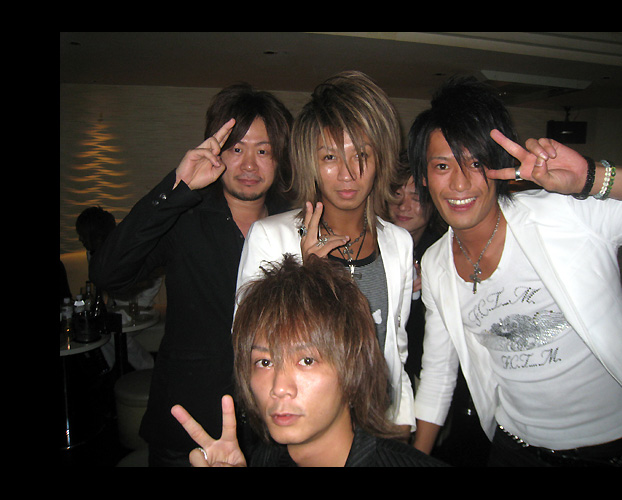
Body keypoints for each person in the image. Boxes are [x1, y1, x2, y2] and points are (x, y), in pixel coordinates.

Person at [408, 76, 622, 466]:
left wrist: (590, 177)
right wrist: (415, 458)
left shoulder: (564, 214)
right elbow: (438, 374)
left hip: (613, 448)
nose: (460, 183)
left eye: (476, 163)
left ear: (498, 165)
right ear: (424, 176)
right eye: (443, 166)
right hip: (514, 449)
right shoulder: (435, 265)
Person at [90, 83, 293, 466]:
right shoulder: (184, 216)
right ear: (216, 151)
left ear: (280, 158)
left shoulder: (295, 225)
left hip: (272, 428)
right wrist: (176, 186)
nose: (250, 165)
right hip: (189, 425)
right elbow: (108, 273)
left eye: (263, 151)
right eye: (237, 149)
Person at [236, 71, 415, 436]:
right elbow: (250, 349)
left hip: (379, 426)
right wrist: (307, 278)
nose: (347, 173)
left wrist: (401, 422)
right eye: (330, 156)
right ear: (311, 163)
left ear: (380, 158)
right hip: (305, 425)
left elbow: (395, 345)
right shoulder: (271, 237)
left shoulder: (398, 241)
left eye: (361, 155)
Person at [171, 254, 448, 466]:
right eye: (265, 362)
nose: (279, 388)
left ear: (353, 367)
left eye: (306, 360)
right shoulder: (261, 460)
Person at [76, 206, 158, 371]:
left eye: (83, 235)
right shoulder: (93, 254)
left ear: (96, 236)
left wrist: (136, 303)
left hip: (139, 307)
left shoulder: (127, 250)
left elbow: (154, 277)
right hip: (116, 309)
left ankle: (149, 367)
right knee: (97, 328)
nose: (80, 240)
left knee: (112, 331)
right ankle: (112, 371)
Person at [388, 155, 445, 388]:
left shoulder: (444, 252)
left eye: (416, 198)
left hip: (432, 372)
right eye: (396, 195)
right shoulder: (371, 246)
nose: (403, 206)